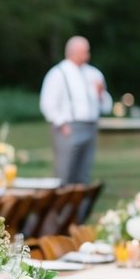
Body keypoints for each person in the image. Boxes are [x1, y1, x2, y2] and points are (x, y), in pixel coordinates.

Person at [39, 36, 112, 185]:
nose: (87, 54)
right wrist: (62, 124)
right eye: (84, 51)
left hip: (90, 126)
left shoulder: (94, 73)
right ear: (72, 51)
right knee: (65, 173)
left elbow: (106, 105)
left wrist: (100, 94)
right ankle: (63, 207)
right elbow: (47, 103)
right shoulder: (58, 73)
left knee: (84, 173)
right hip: (68, 127)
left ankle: (81, 208)